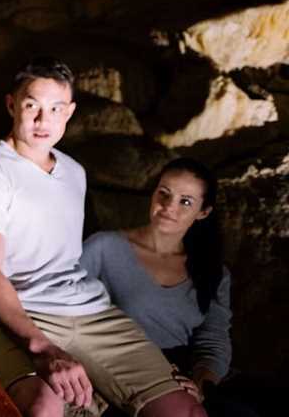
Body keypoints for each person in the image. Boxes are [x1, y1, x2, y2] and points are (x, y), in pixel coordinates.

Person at [0, 57, 206, 417]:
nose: (44, 120)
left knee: (186, 410)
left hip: (89, 312)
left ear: (69, 111)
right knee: (41, 409)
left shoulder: (73, 172)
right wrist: (42, 348)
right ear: (12, 105)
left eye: (56, 108)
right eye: (32, 107)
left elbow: (72, 260)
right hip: (24, 311)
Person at [81, 158, 260, 417]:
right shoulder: (104, 247)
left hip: (182, 375)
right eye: (163, 194)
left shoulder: (212, 272)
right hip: (119, 371)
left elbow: (213, 339)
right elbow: (65, 307)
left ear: (203, 212)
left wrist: (199, 383)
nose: (168, 207)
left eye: (185, 201)